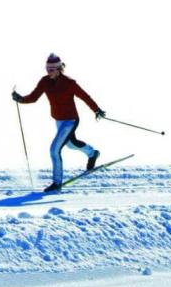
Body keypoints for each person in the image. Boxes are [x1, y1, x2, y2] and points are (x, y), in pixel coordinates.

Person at [12, 53, 105, 192]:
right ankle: (92, 154)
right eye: (47, 68)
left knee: (54, 149)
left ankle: (57, 183)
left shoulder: (69, 83)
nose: (48, 71)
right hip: (58, 120)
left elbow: (85, 97)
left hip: (71, 120)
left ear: (59, 68)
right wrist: (20, 99)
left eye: (52, 69)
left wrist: (96, 109)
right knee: (71, 144)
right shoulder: (44, 81)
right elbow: (33, 97)